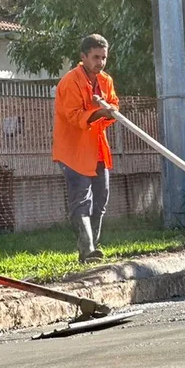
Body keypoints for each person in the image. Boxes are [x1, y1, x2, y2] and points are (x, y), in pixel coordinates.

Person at [52, 34, 119, 263]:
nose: (100, 62)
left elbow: (114, 106)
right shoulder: (70, 81)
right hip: (73, 152)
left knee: (101, 199)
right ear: (83, 57)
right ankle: (88, 249)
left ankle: (92, 250)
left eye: (103, 58)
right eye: (95, 57)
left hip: (97, 149)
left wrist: (109, 112)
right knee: (81, 200)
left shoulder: (106, 80)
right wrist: (100, 112)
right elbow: (72, 116)